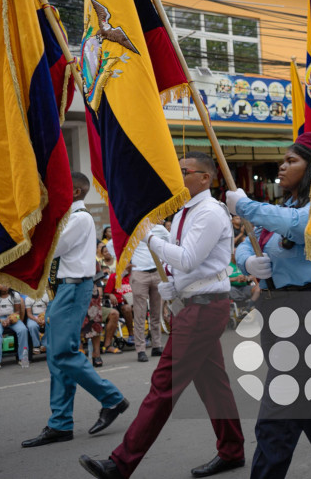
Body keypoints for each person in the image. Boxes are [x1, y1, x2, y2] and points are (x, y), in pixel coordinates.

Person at [80, 152, 244, 479]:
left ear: (205, 178)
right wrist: (174, 284)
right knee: (213, 385)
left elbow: (188, 258)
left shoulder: (210, 212)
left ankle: (120, 463)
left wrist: (152, 238)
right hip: (196, 303)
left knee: (163, 385)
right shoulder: (186, 211)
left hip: (204, 307)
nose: (178, 175)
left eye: (186, 171)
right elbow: (184, 264)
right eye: (178, 170)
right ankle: (232, 449)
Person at [227, 132, 311, 478]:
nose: (282, 165)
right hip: (277, 310)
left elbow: (300, 227)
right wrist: (247, 263)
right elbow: (249, 243)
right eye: (283, 160)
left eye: (292, 160)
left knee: (279, 412)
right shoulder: (284, 207)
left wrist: (245, 205)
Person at [22, 172, 128, 448]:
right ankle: (60, 423)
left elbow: (52, 248)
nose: (54, 192)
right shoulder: (70, 218)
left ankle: (112, 398)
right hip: (64, 289)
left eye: (61, 188)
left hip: (73, 287)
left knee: (63, 353)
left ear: (77, 192)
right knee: (57, 359)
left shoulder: (79, 218)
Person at [129, 223, 169, 362]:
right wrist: (126, 262)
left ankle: (157, 345)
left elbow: (170, 246)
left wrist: (165, 263)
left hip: (157, 272)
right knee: (140, 314)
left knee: (156, 312)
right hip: (139, 273)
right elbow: (119, 245)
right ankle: (140, 349)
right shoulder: (134, 227)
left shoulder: (160, 229)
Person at [0, 283, 29, 370]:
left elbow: (17, 312)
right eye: (1, 283)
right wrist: (1, 320)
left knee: (23, 330)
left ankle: (23, 358)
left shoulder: (15, 295)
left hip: (12, 318)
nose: (4, 285)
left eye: (6, 283)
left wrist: (10, 319)